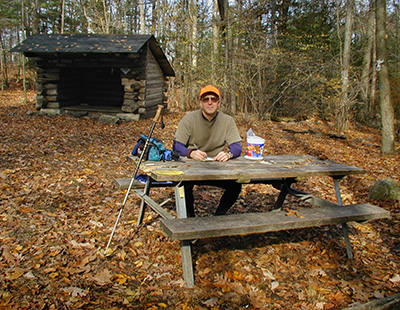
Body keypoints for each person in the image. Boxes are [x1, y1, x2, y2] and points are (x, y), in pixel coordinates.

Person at [173, 85, 242, 217]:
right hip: (192, 167)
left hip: (217, 167)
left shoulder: (228, 121)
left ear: (219, 102)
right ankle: (191, 220)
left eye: (213, 99)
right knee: (183, 184)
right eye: (206, 99)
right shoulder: (189, 119)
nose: (210, 102)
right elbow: (177, 146)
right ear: (200, 102)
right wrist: (190, 153)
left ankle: (219, 217)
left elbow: (237, 147)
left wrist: (228, 154)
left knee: (236, 185)